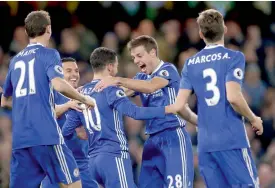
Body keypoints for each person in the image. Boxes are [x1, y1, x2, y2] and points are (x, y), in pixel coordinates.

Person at [166, 9, 263, 188]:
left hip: (206, 144)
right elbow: (233, 97)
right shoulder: (233, 57)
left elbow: (179, 106)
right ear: (224, 29)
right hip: (231, 140)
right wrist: (253, 118)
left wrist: (200, 122)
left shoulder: (190, 63)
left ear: (201, 34)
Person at [1, 10, 94, 188]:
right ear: (48, 29)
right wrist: (84, 99)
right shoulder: (49, 54)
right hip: (46, 136)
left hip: (21, 139)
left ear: (27, 32)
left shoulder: (14, 61)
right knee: (73, 184)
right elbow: (59, 85)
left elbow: (5, 100)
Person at [62, 47, 175, 188]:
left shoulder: (80, 94)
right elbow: (135, 112)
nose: (116, 69)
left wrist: (83, 131)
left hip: (92, 162)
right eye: (116, 66)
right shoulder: (110, 89)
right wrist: (167, 110)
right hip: (113, 156)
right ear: (109, 67)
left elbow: (65, 132)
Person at [94, 36, 197, 188]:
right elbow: (119, 93)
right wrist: (91, 92)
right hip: (152, 140)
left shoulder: (167, 70)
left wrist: (117, 80)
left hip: (173, 137)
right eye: (133, 57)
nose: (135, 60)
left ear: (153, 52)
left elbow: (151, 86)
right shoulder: (140, 77)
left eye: (139, 56)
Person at [41, 57, 98, 188]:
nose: (74, 75)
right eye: (68, 71)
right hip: (56, 163)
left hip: (82, 163)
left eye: (76, 71)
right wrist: (67, 105)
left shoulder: (84, 95)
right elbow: (44, 114)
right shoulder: (50, 94)